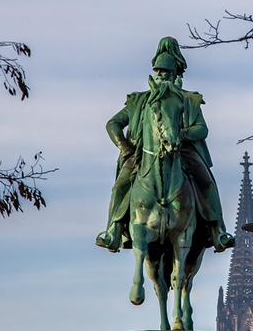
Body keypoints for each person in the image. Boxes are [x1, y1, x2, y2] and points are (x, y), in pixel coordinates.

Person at [96, 37, 234, 254]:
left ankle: (218, 230)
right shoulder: (138, 100)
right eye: (158, 71)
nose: (161, 75)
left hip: (182, 151)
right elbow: (112, 123)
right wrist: (124, 146)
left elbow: (202, 128)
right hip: (143, 154)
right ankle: (113, 230)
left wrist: (183, 133)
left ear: (175, 74)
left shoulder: (188, 99)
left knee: (206, 182)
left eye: (165, 72)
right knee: (120, 185)